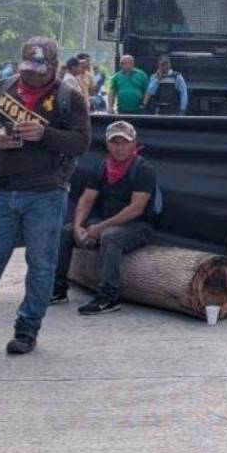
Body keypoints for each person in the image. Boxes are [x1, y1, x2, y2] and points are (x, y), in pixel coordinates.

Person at [0, 37, 91, 356]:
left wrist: (45, 135)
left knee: (40, 264)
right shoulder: (3, 87)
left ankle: (27, 329)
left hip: (46, 192)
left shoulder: (69, 97)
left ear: (54, 67)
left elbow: (82, 142)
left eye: (38, 70)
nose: (31, 76)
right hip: (4, 187)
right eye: (27, 69)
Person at [51, 121, 160, 315]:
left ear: (134, 143)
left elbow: (136, 208)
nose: (119, 147)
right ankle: (58, 289)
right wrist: (78, 226)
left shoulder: (143, 169)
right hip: (104, 223)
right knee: (66, 231)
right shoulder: (101, 167)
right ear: (107, 144)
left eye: (124, 142)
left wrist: (100, 228)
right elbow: (86, 198)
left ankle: (109, 297)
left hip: (138, 226)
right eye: (115, 142)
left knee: (111, 235)